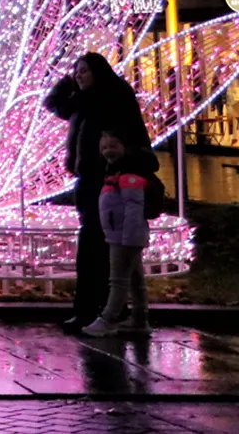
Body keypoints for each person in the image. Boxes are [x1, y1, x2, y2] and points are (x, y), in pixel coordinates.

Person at [44, 52, 150, 332]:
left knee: (100, 246)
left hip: (110, 183)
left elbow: (127, 140)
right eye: (76, 71)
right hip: (88, 181)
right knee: (99, 246)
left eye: (84, 71)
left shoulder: (112, 99)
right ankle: (108, 311)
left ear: (99, 73)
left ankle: (102, 312)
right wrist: (69, 79)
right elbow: (53, 104)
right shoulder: (83, 101)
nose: (79, 75)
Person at [84, 128, 156, 336]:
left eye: (113, 146)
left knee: (118, 280)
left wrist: (128, 238)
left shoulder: (127, 175)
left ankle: (108, 319)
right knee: (134, 279)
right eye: (104, 147)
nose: (108, 151)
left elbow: (133, 208)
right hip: (122, 234)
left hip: (124, 237)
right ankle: (140, 320)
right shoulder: (114, 172)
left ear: (125, 147)